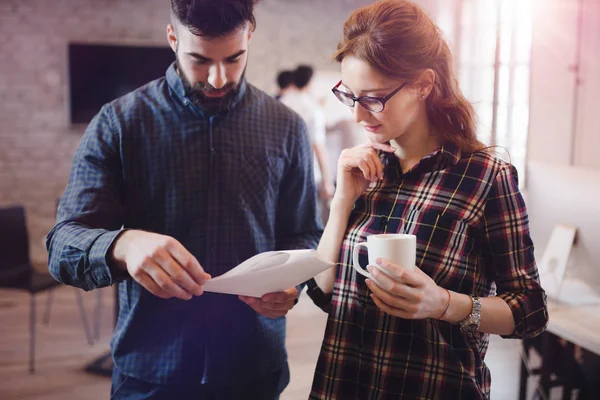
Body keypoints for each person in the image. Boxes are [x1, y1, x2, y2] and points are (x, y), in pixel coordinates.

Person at [46, 0, 322, 399]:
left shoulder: (287, 128)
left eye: (234, 58)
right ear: (172, 38)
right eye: (199, 60)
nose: (217, 78)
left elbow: (304, 233)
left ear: (250, 36)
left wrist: (292, 282)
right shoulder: (119, 122)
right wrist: (123, 243)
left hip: (253, 367)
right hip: (151, 369)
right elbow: (61, 246)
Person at [306, 1, 548, 398]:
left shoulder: (484, 176)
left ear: (423, 84)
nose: (358, 116)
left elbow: (530, 312)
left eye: (373, 98)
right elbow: (323, 294)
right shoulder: (365, 171)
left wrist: (442, 303)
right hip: (344, 384)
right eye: (350, 96)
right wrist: (341, 203)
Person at [280, 65, 335, 223]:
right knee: (311, 224)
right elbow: (318, 146)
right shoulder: (312, 109)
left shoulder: (280, 103)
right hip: (308, 175)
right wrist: (327, 180)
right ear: (310, 82)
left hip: (282, 173)